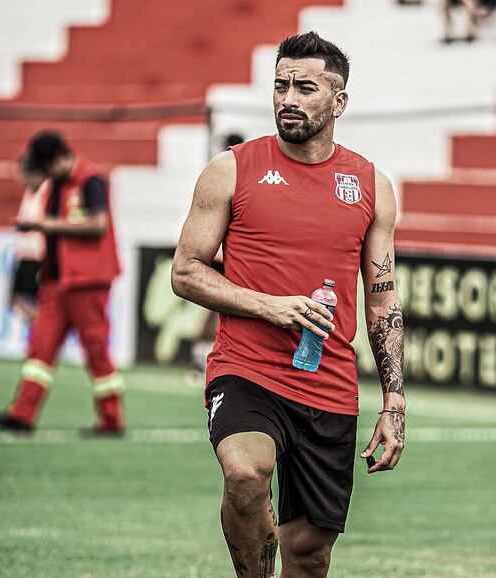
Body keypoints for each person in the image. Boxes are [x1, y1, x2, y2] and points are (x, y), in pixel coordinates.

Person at [172, 32, 406, 577]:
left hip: (329, 384)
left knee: (309, 552)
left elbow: (382, 301)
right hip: (246, 370)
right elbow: (185, 271)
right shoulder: (232, 169)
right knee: (246, 473)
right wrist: (270, 306)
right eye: (280, 86)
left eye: (304, 87)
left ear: (338, 101)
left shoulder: (372, 185)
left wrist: (393, 403)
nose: (288, 99)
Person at [0, 132, 125, 436]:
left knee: (96, 351)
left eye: (46, 167)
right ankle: (22, 415)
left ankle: (112, 419)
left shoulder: (91, 180)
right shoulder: (55, 187)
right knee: (39, 349)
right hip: (56, 282)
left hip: (87, 284)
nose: (44, 175)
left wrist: (45, 225)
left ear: (59, 159)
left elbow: (98, 224)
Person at [10, 158, 47, 321]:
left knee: (36, 302)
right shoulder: (29, 193)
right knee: (17, 300)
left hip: (38, 255)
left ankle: (43, 332)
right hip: (24, 254)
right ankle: (38, 332)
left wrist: (28, 225)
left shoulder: (46, 192)